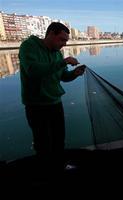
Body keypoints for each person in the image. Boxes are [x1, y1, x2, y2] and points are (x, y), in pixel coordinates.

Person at [19, 22, 86, 171]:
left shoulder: (57, 53)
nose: (64, 44)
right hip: (36, 104)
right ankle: (45, 171)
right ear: (50, 34)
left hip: (55, 102)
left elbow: (63, 77)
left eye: (66, 41)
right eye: (62, 39)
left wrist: (74, 74)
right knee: (42, 142)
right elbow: (33, 71)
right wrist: (63, 62)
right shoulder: (28, 46)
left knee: (58, 139)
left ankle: (59, 167)